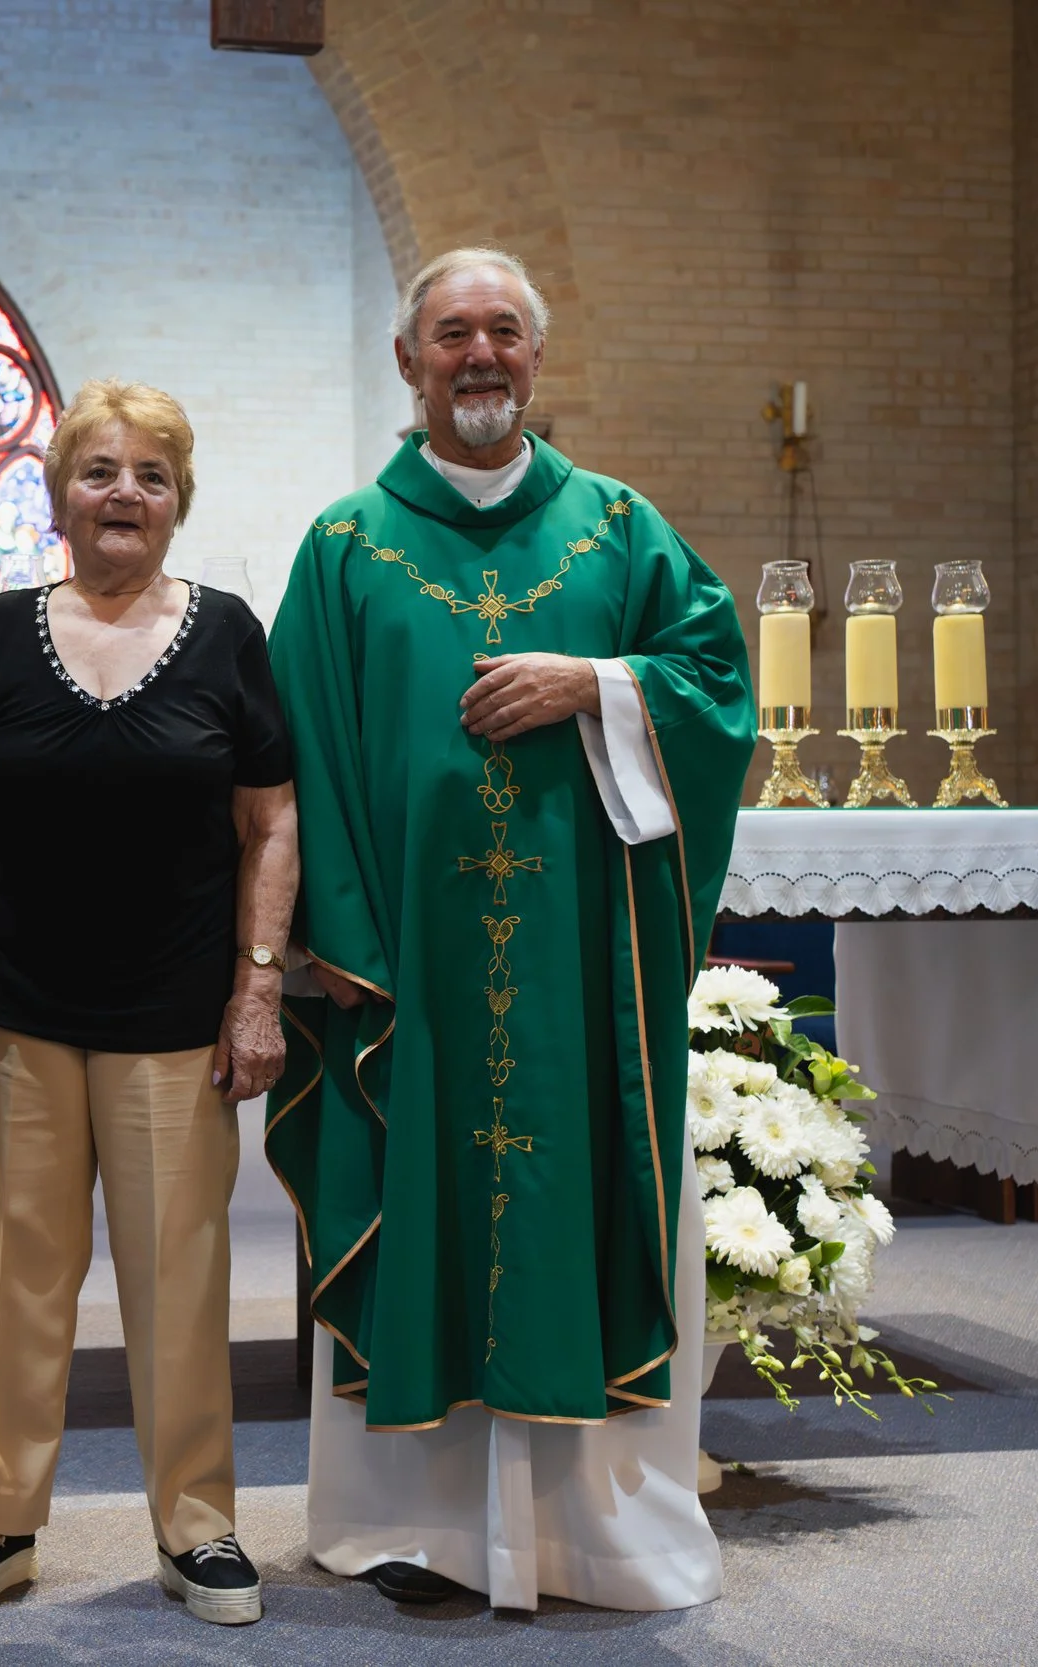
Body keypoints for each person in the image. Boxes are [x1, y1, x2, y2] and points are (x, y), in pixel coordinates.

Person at [266, 246, 755, 1613]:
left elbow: (716, 685)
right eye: (450, 334)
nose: (479, 356)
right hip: (410, 961)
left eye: (503, 333)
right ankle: (416, 1524)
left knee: (573, 1199)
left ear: (536, 358)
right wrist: (343, 942)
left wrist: (596, 682)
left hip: (577, 965)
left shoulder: (618, 527)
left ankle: (584, 1530)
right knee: (420, 1200)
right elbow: (299, 748)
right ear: (410, 361)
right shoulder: (347, 543)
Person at [0, 382, 301, 1627]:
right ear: (58, 492)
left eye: (152, 476)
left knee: (176, 1278)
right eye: (100, 472)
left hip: (178, 1016)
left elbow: (270, 819)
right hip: (25, 1006)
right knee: (16, 1272)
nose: (124, 493)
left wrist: (257, 989)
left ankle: (198, 1525)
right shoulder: (6, 634)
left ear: (179, 503)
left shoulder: (229, 631)